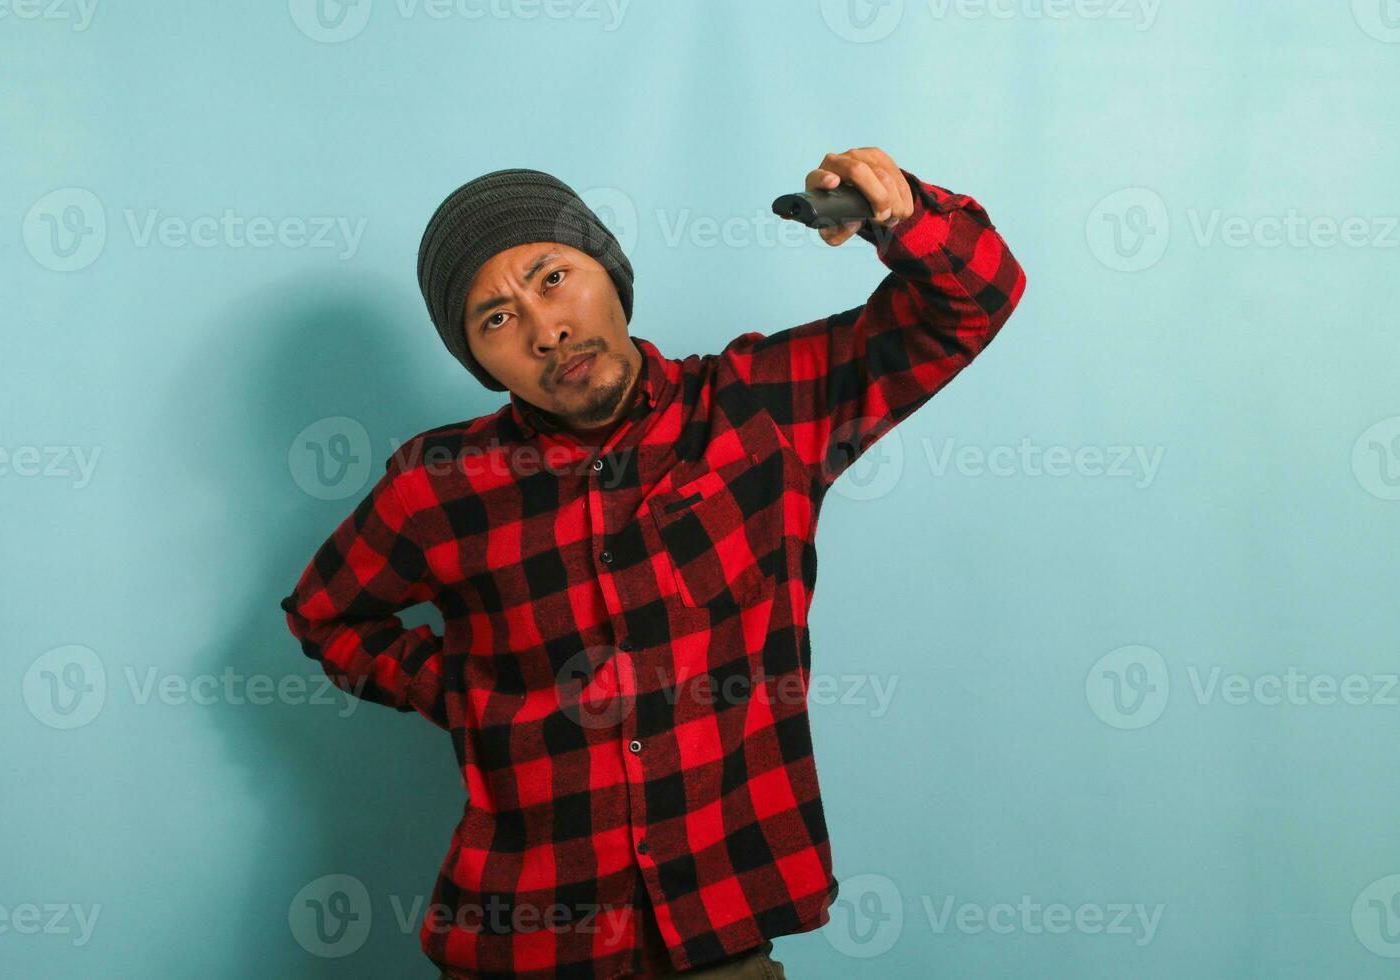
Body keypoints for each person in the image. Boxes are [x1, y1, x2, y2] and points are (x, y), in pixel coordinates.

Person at [280, 148, 1027, 979]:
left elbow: (972, 304)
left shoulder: (762, 409)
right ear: (476, 359)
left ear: (608, 270)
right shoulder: (439, 486)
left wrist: (905, 215)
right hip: (518, 945)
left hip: (719, 935)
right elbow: (324, 613)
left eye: (553, 277)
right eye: (496, 318)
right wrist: (456, 689)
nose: (545, 329)